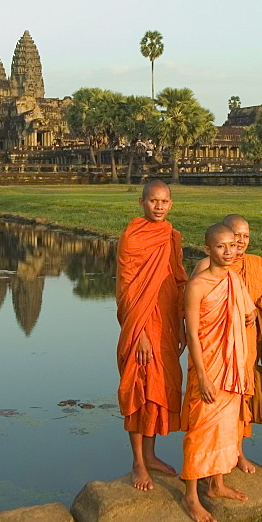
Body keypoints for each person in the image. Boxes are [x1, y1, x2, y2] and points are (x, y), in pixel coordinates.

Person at [190, 214, 262, 473]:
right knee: (208, 409)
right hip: (212, 348)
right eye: (235, 237)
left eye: (244, 237)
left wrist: (259, 309)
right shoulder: (204, 269)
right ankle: (206, 468)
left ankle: (237, 453)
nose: (240, 243)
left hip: (244, 343)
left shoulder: (256, 265)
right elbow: (190, 315)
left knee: (241, 399)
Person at [181, 223, 256, 522]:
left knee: (226, 427)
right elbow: (193, 335)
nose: (228, 252)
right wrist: (203, 376)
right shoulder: (197, 285)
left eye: (233, 246)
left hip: (232, 366)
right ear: (207, 249)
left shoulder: (235, 279)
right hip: (208, 367)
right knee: (201, 429)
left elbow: (247, 314)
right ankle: (190, 495)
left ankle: (217, 484)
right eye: (221, 247)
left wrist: (248, 313)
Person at [116, 179, 188, 490]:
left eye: (164, 201)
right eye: (153, 201)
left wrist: (182, 322)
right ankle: (138, 463)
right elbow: (128, 288)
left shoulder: (170, 236)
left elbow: (179, 278)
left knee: (160, 389)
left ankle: (152, 454)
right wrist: (141, 332)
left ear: (171, 204)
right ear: (142, 203)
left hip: (167, 322)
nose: (159, 206)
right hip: (141, 326)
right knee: (139, 389)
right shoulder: (132, 237)